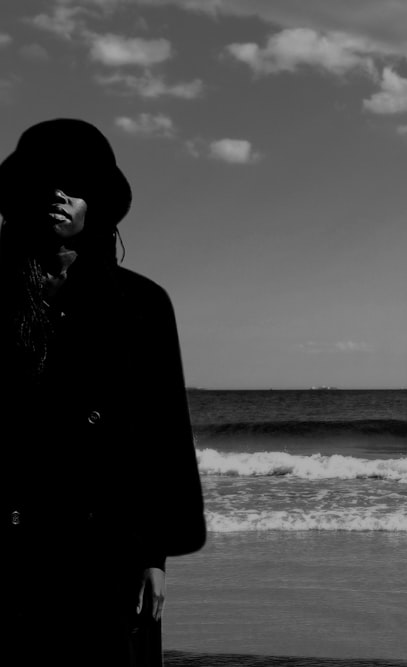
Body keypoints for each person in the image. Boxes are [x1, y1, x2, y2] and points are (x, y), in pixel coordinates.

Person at [0, 119, 206, 665]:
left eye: (75, 185)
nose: (58, 196)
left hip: (111, 545)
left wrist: (155, 553)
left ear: (101, 204)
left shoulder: (143, 305)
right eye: (45, 183)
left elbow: (163, 435)